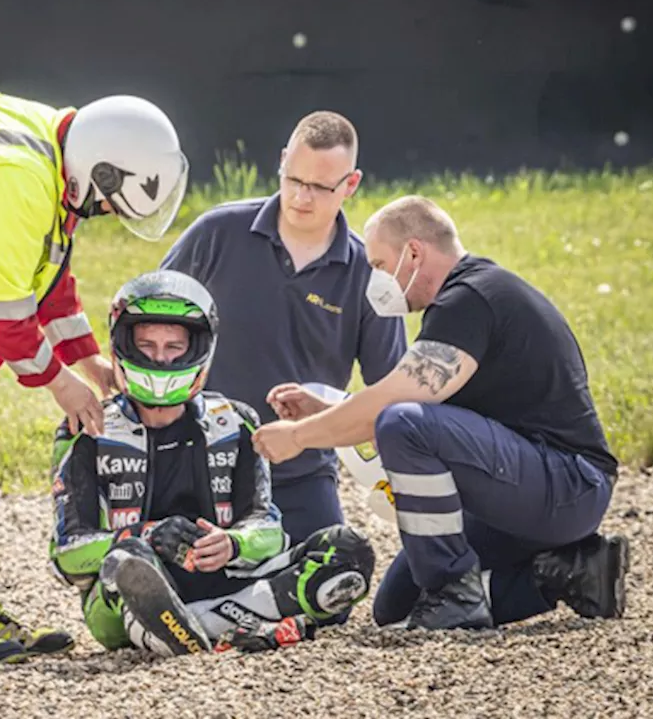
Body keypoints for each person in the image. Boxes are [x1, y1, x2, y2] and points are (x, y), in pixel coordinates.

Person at [0, 90, 193, 665]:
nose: (102, 213)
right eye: (107, 204)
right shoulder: (17, 179)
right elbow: (1, 307)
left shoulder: (50, 143)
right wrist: (59, 379)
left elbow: (46, 267)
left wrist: (88, 357)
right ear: (99, 170)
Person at [254, 196, 629, 631]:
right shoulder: (466, 301)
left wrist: (298, 437)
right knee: (396, 608)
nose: (374, 279)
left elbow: (400, 410)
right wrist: (326, 412)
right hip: (530, 488)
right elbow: (426, 414)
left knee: (402, 423)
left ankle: (454, 588)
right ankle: (569, 574)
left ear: (413, 253)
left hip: (567, 484)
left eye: (378, 264)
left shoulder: (470, 298)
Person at [50, 270, 376, 656]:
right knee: (128, 563)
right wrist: (145, 535)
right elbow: (68, 556)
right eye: (147, 344)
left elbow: (267, 526)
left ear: (199, 348)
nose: (160, 356)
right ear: (123, 344)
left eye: (174, 346)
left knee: (347, 551)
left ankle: (194, 627)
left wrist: (233, 545)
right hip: (121, 598)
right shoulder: (87, 430)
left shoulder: (235, 421)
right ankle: (236, 624)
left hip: (225, 582)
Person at [160, 111, 406, 548]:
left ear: (350, 185)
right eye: (293, 179)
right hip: (194, 458)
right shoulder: (217, 232)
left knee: (330, 588)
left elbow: (392, 400)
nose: (301, 197)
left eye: (319, 187)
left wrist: (322, 418)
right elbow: (146, 318)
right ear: (281, 162)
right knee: (178, 568)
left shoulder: (370, 277)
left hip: (299, 471)